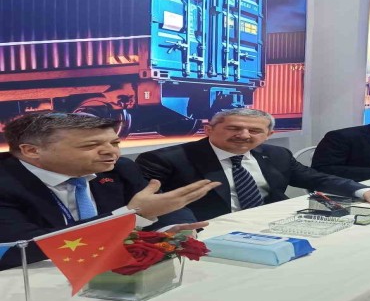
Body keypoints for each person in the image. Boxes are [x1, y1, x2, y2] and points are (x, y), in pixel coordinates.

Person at [0, 113, 220, 270]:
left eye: (114, 143)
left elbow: (162, 206)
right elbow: (21, 249)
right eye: (90, 146)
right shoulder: (6, 182)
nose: (111, 152)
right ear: (32, 151)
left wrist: (171, 229)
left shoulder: (120, 168)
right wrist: (132, 216)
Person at [136, 109, 370, 222]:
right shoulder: (166, 159)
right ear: (209, 129)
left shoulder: (275, 154)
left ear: (268, 135)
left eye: (255, 131)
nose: (244, 135)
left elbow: (315, 178)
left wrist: (363, 191)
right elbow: (152, 208)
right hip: (211, 230)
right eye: (234, 128)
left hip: (272, 223)